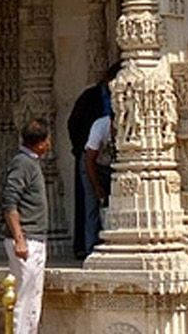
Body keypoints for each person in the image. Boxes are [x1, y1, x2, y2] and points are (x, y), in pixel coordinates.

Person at [2, 119, 52, 334]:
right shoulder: (23, 163)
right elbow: (9, 201)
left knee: (34, 297)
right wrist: (19, 238)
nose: (49, 144)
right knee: (24, 298)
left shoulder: (31, 162)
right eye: (47, 140)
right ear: (41, 143)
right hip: (26, 240)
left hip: (35, 238)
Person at [67, 70, 114, 257]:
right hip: (90, 156)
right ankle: (89, 247)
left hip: (109, 160)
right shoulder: (92, 101)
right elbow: (74, 124)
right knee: (90, 203)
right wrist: (79, 147)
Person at [81, 110, 115, 258]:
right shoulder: (100, 127)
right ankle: (91, 247)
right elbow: (89, 160)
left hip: (111, 166)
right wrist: (96, 186)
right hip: (93, 165)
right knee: (92, 204)